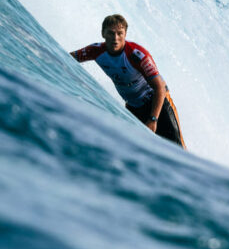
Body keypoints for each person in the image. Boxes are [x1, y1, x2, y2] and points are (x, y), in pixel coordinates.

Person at [70, 14, 186, 149]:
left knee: (178, 149)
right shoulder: (95, 51)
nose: (115, 38)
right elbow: (67, 57)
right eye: (111, 33)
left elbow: (159, 87)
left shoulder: (137, 55)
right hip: (133, 107)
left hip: (158, 104)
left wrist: (153, 119)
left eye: (120, 33)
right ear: (103, 34)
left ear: (125, 35)